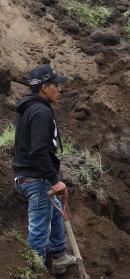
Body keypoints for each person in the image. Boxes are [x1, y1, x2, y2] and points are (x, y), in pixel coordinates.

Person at [12, 64, 76, 273]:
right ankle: (34, 271)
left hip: (28, 175)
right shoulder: (40, 111)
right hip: (35, 178)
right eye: (56, 85)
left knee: (55, 213)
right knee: (39, 230)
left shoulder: (29, 108)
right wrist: (54, 179)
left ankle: (58, 256)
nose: (60, 89)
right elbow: (38, 149)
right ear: (45, 87)